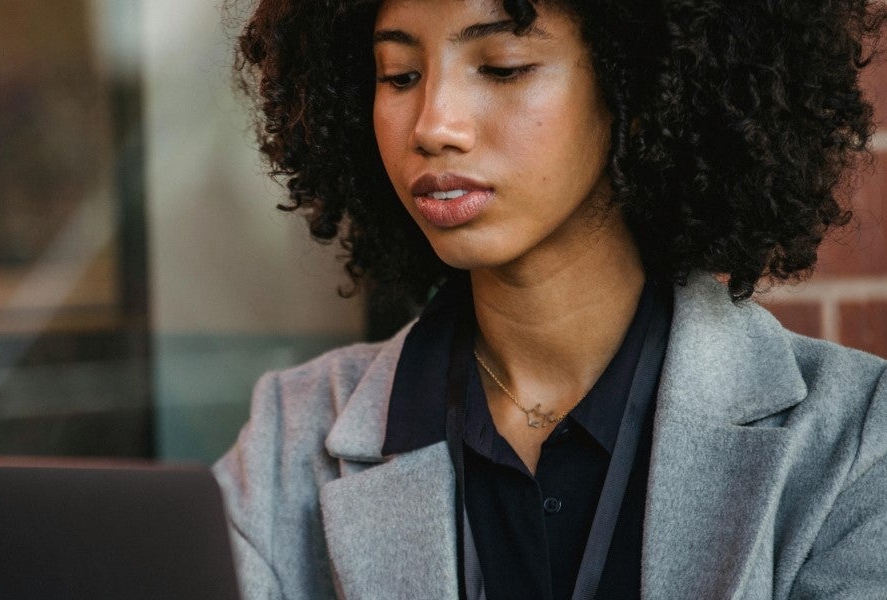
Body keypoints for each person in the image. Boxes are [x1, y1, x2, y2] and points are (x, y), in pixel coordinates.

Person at [213, 0, 887, 598]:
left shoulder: (852, 443)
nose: (433, 125)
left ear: (639, 86)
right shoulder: (292, 434)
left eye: (503, 66)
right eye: (399, 75)